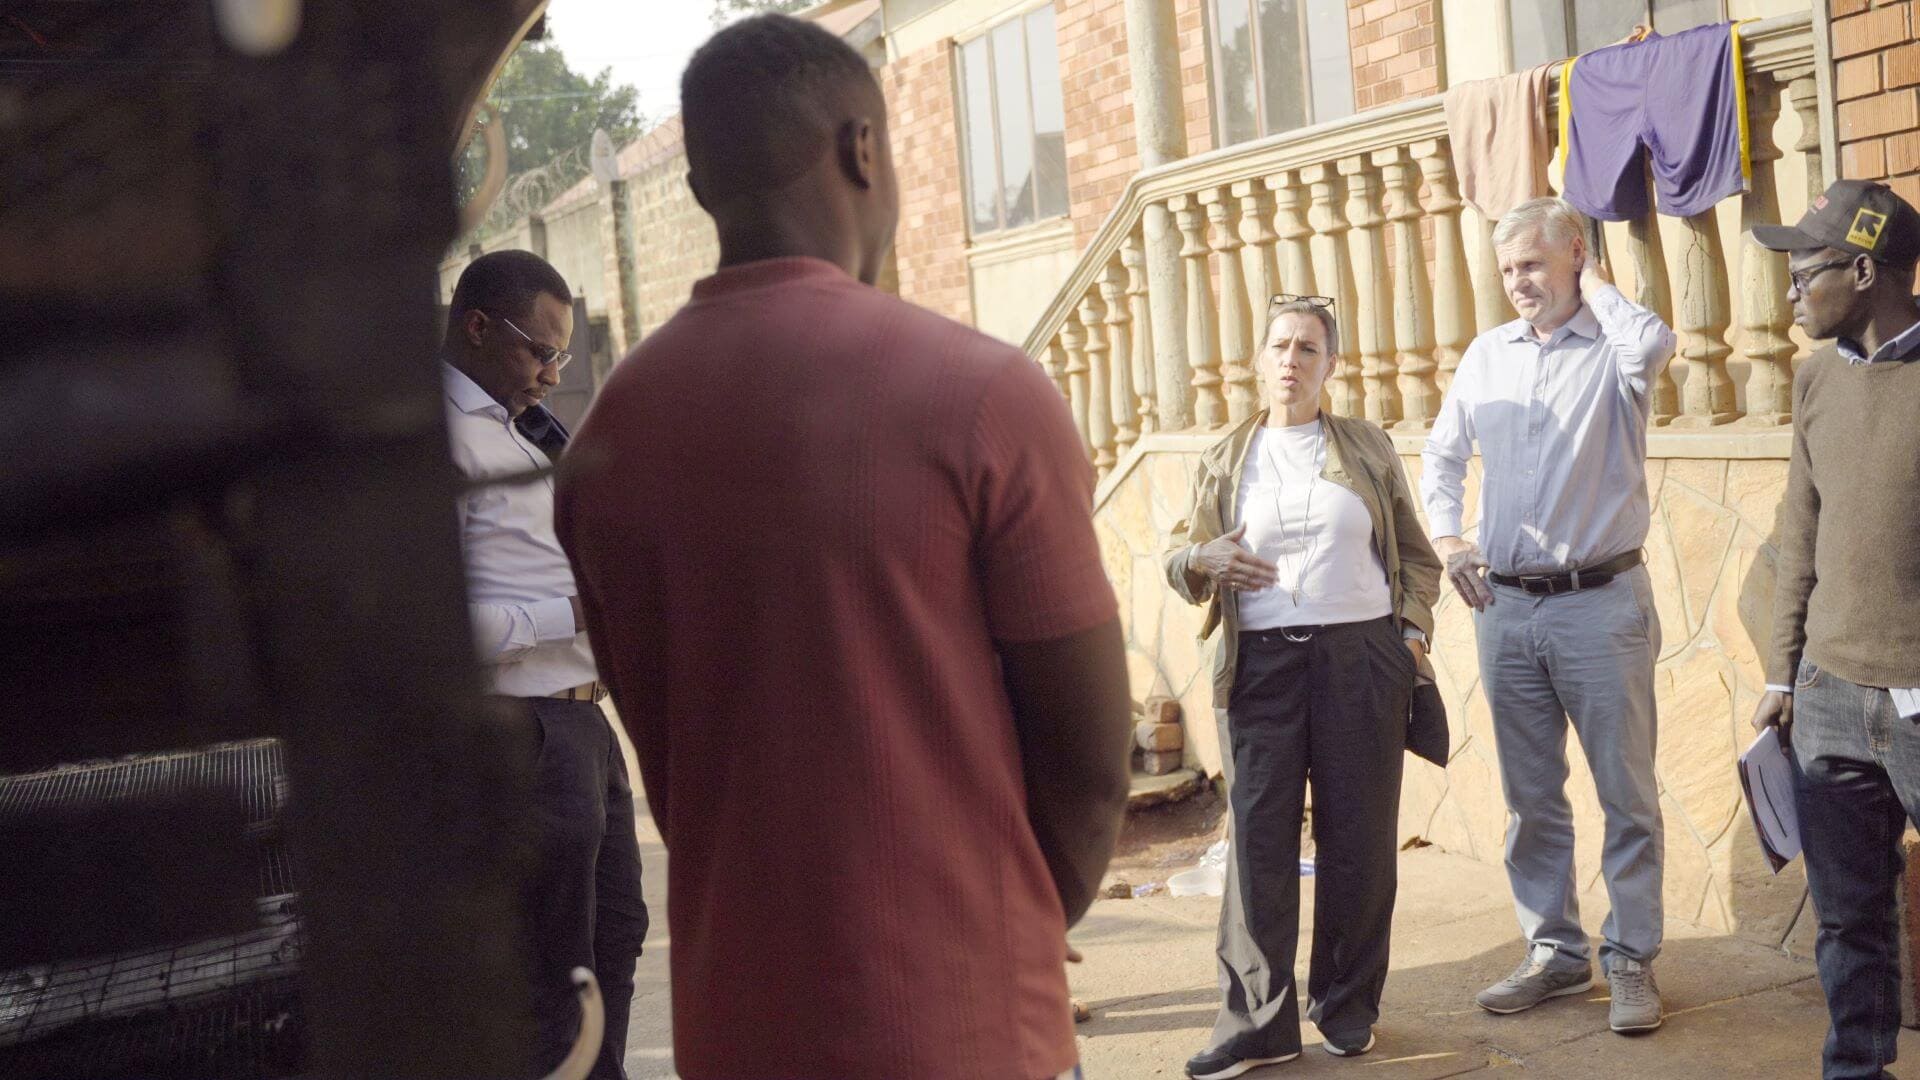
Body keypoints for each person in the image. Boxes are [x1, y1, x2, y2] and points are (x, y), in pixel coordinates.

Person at [552, 15, 1132, 1080]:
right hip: (963, 1023)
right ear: (865, 149)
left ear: (697, 189)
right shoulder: (981, 394)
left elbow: (674, 757)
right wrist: (993, 930)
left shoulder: (607, 444)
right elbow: (1095, 766)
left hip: (739, 1022)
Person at [1165, 296, 1442, 1079]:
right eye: (1280, 345)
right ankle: (1259, 1023)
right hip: (1259, 667)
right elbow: (1178, 559)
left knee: (1359, 839)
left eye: (1309, 348)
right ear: (1259, 360)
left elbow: (1417, 559)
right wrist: (1202, 562)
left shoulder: (1366, 446)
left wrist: (1413, 636)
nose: (1292, 359)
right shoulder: (1225, 457)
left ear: (1331, 365)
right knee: (1258, 844)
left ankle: (1347, 1008)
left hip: (1362, 658)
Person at [1421, 196, 1676, 1034]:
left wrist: (1594, 279)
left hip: (1600, 605)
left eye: (1533, 263)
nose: (1517, 284)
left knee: (1626, 793)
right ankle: (1555, 954)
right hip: (1506, 605)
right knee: (1532, 797)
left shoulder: (1614, 349)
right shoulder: (1487, 355)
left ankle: (1631, 959)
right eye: (1506, 271)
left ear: (1574, 254)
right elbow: (1444, 454)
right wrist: (1451, 534)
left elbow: (1655, 343)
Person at [440, 249, 647, 1080]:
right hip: (524, 727)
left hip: (580, 720)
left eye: (562, 355)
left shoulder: (517, 426)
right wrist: (574, 613)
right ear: (479, 326)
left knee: (617, 937)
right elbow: (435, 627)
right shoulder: (439, 439)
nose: (553, 374)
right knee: (558, 973)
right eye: (540, 351)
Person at [1749, 179, 1920, 1080]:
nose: (1789, 293)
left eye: (1801, 272)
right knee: (1850, 916)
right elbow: (1799, 538)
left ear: (1862, 269)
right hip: (1827, 702)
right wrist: (1783, 677)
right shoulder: (1815, 378)